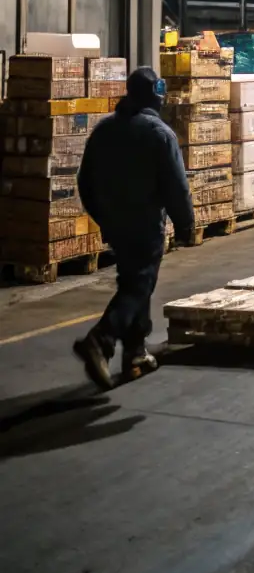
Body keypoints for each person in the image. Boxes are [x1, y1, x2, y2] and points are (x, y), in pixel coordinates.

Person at [73, 67, 194, 390]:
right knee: (138, 286)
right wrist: (186, 224)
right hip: (145, 225)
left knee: (134, 281)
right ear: (156, 96)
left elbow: (84, 181)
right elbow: (176, 187)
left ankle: (136, 354)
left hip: (114, 223)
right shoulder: (159, 134)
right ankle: (101, 339)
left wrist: (103, 217)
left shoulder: (103, 130)